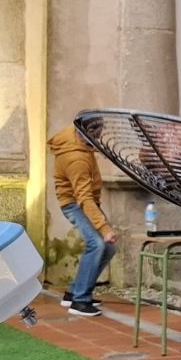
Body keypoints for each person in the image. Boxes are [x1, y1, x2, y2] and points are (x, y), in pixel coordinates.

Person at [49, 123, 116, 316]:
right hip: (74, 204)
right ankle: (80, 301)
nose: (99, 138)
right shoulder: (76, 157)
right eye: (98, 134)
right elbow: (84, 198)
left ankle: (73, 292)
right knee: (96, 243)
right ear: (87, 132)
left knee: (109, 247)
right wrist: (104, 228)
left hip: (84, 202)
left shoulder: (78, 142)